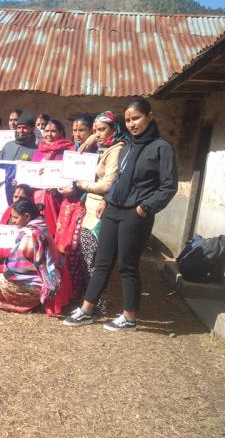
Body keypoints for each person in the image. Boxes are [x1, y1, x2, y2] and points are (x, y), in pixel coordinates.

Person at [63, 97, 178, 331]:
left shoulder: (161, 148)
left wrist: (145, 207)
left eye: (136, 118)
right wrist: (107, 200)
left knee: (128, 265)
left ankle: (129, 317)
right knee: (102, 263)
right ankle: (86, 310)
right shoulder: (127, 146)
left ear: (149, 116)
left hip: (136, 214)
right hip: (113, 209)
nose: (132, 124)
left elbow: (169, 186)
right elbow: (119, 180)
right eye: (128, 120)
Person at [65, 110, 128, 304]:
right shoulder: (105, 145)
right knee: (86, 256)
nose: (98, 134)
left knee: (94, 260)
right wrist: (90, 139)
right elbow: (97, 136)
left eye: (102, 130)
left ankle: (96, 303)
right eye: (95, 130)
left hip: (100, 209)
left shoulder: (116, 150)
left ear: (114, 129)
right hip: (91, 207)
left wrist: (82, 185)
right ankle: (88, 299)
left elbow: (108, 184)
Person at [0, 198, 70, 315]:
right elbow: (19, 252)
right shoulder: (40, 226)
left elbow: (17, 266)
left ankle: (32, 302)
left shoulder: (30, 235)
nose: (12, 221)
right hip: (55, 279)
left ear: (27, 216)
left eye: (15, 217)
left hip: (43, 284)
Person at [31, 119, 75, 236]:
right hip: (37, 197)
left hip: (58, 197)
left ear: (61, 133)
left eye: (53, 131)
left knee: (52, 232)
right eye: (46, 131)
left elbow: (71, 174)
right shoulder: (39, 151)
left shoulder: (69, 150)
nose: (49, 134)